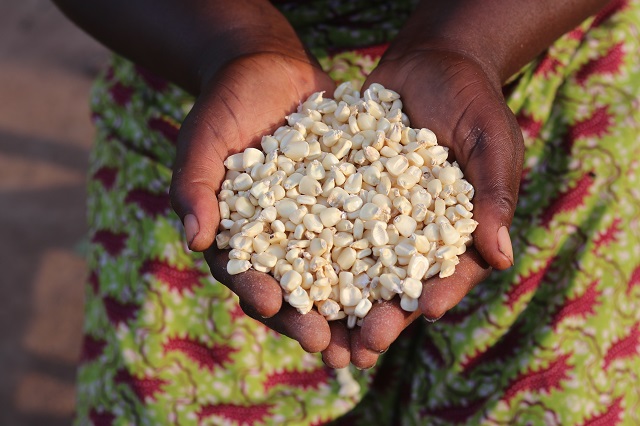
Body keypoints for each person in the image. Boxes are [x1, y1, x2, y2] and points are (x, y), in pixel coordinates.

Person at [53, 0, 640, 424]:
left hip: (528, 45)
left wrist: (463, 45)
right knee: (176, 397)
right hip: (191, 57)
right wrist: (238, 44)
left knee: (541, 398)